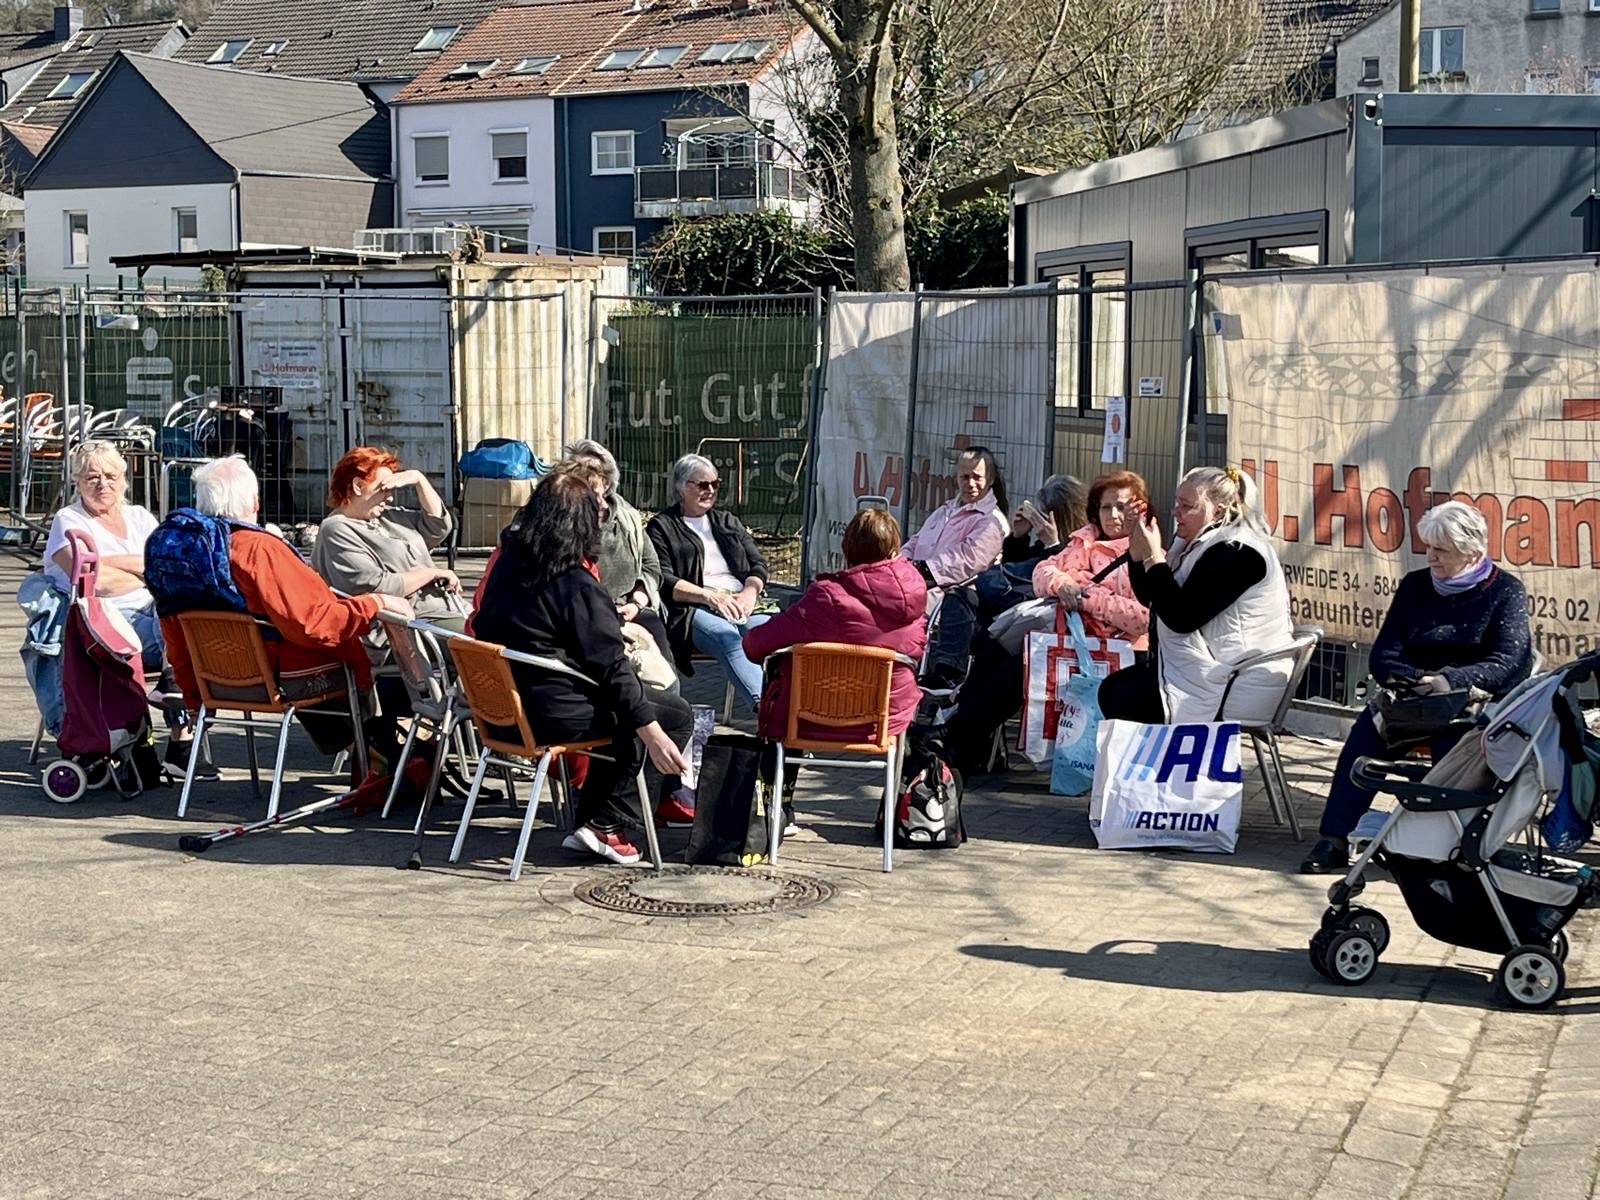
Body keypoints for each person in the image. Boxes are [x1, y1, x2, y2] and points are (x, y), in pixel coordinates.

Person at [473, 468, 693, 865]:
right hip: (551, 715)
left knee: (630, 708)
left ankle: (592, 822)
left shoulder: (508, 566)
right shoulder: (575, 583)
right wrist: (654, 732)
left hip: (505, 710)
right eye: (598, 507)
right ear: (581, 525)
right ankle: (610, 824)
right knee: (671, 713)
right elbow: (613, 669)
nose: (606, 509)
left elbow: (486, 624)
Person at [1300, 500, 1533, 874]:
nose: (1431, 557)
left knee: (1452, 752)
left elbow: (1508, 662)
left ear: (1472, 552)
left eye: (1442, 550)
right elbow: (1385, 652)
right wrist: (1408, 680)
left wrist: (1448, 681)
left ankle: (1447, 848)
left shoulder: (1505, 591)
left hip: (1466, 704)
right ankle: (1334, 839)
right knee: (1362, 741)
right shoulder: (1415, 586)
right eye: (1429, 547)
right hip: (1409, 700)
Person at [151, 456, 413, 759]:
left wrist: (193, 695)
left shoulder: (182, 553)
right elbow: (314, 624)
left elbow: (172, 628)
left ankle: (367, 755)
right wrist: (373, 603)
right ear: (255, 501)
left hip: (214, 681)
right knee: (354, 656)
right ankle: (372, 759)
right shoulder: (258, 549)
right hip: (283, 679)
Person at [943, 470, 1150, 776]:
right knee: (996, 645)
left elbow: (1142, 618)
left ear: (1138, 509)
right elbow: (1042, 573)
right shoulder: (1083, 540)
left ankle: (953, 740)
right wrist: (1062, 584)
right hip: (1070, 637)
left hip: (1119, 650)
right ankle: (962, 741)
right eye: (1106, 507)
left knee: (1023, 665)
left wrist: (1084, 595)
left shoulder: (1146, 551)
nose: (1113, 515)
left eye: (1121, 507)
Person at [1098, 465, 1293, 727]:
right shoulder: (1202, 542)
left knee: (1123, 696)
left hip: (1234, 681)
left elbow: (1182, 617)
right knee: (1114, 688)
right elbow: (1153, 599)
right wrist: (1137, 548)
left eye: (1186, 506)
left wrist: (1154, 557)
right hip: (1207, 672)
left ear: (1219, 510)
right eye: (1176, 502)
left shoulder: (1238, 551)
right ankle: (1149, 766)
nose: (1175, 511)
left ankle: (1156, 766)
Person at [42, 440, 190, 759]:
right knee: (175, 630)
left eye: (110, 475)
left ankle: (181, 733)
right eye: (92, 477)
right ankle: (178, 737)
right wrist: (140, 566)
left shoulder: (140, 517)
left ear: (124, 479)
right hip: (104, 623)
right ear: (77, 481)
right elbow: (95, 583)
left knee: (190, 626)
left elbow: (163, 566)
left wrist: (107, 560)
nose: (102, 484)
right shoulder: (69, 520)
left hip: (154, 613)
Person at [743, 508, 928, 742]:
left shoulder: (826, 597)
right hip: (885, 723)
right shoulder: (915, 594)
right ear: (894, 550)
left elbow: (755, 645)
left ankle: (777, 778)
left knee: (787, 669)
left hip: (811, 718)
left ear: (847, 549)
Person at [647, 453, 771, 712]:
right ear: (682, 487)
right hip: (695, 606)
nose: (711, 490)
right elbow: (664, 579)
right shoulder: (662, 527)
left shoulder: (727, 522)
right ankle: (768, 712)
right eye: (702, 485)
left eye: (715, 484)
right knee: (729, 639)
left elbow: (758, 564)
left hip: (741, 600)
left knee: (771, 639)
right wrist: (711, 597)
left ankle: (793, 711)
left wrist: (750, 592)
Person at [311, 446, 460, 632]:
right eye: (383, 489)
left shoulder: (387, 517)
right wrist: (431, 573)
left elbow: (438, 527)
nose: (389, 498)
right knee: (491, 644)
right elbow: (376, 586)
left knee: (499, 631)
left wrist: (420, 481)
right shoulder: (336, 529)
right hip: (408, 626)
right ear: (358, 486)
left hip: (445, 610)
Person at [906, 446, 1011, 686]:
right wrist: (900, 566)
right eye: (965, 477)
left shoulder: (992, 521)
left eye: (977, 477)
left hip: (948, 598)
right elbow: (915, 541)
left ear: (991, 480)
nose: (971, 483)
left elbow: (968, 561)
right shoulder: (944, 511)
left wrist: (923, 571)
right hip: (915, 583)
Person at [562, 437, 670, 659]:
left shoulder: (627, 517)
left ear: (607, 481)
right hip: (585, 619)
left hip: (629, 608)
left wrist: (636, 603)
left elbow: (651, 566)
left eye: (594, 473)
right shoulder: (561, 528)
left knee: (662, 664)